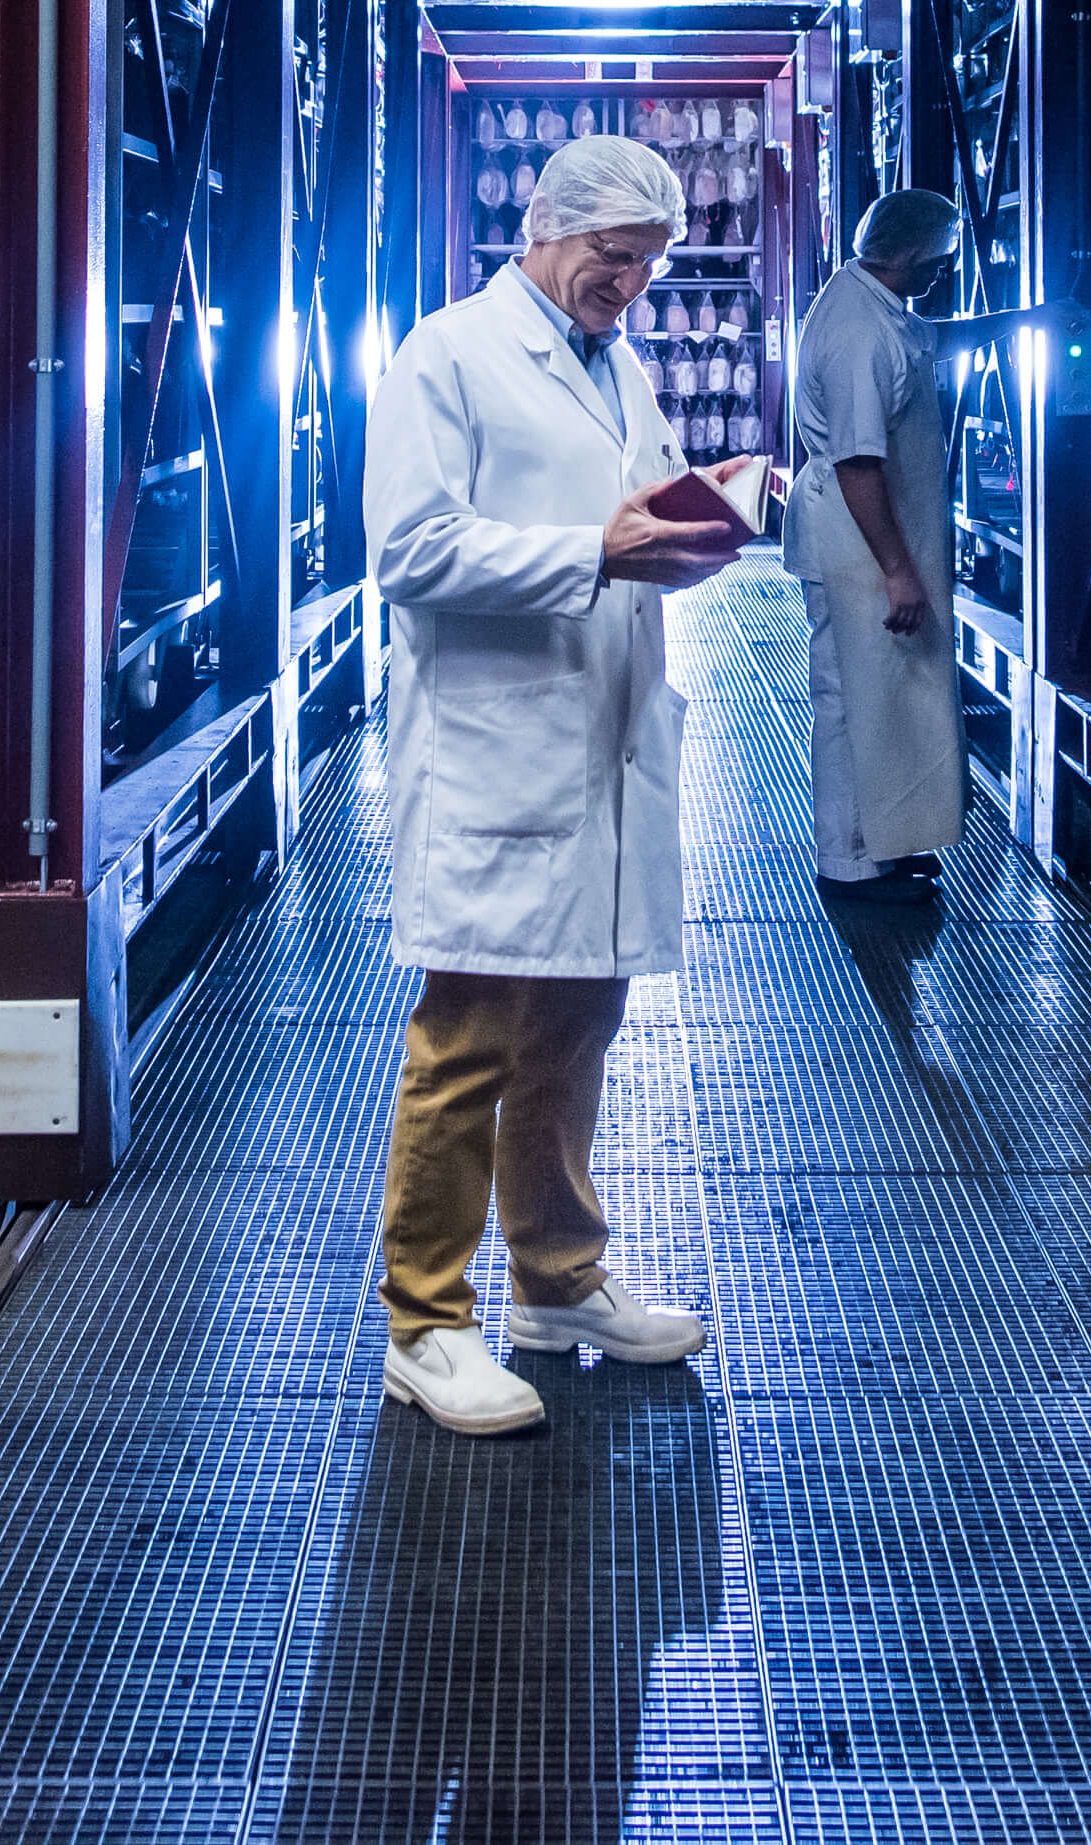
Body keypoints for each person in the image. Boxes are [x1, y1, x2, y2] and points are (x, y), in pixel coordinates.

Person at [354, 133, 759, 1438]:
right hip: (496, 748)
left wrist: (700, 526)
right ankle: (425, 1321)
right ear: (547, 228)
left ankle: (557, 1279)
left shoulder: (620, 361)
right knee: (467, 1035)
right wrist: (596, 548)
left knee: (578, 1028)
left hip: (606, 738)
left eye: (649, 263)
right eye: (613, 256)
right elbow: (411, 548)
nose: (631, 283)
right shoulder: (448, 355)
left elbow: (638, 511)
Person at [787, 188, 969, 887]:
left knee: (874, 692)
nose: (944, 272)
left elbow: (930, 342)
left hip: (863, 537)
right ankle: (852, 860)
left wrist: (1025, 320)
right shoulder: (859, 332)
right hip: (858, 544)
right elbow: (858, 461)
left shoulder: (867, 299)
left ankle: (877, 842)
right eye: (942, 259)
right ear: (916, 255)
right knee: (847, 695)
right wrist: (897, 568)